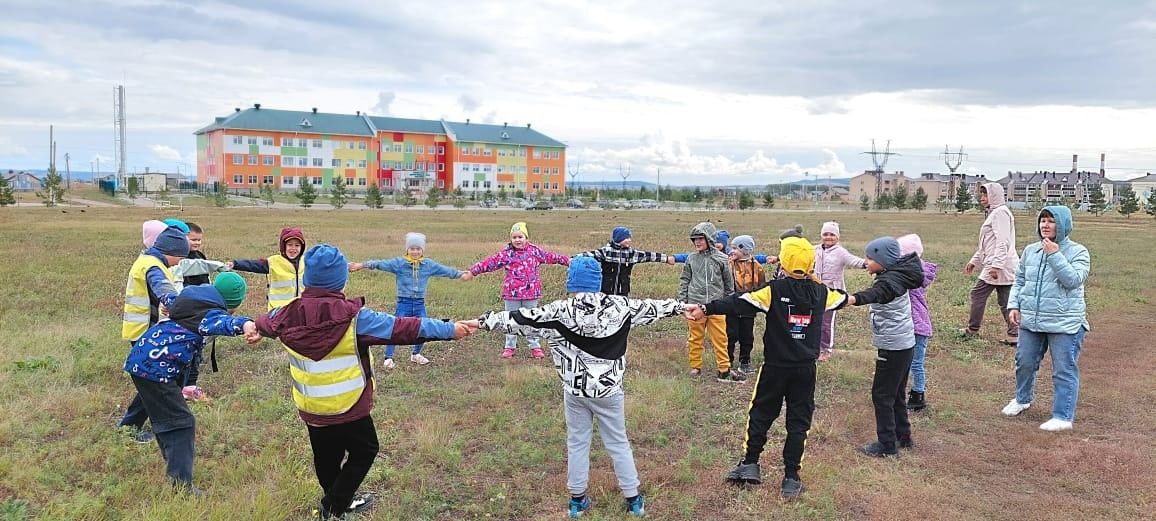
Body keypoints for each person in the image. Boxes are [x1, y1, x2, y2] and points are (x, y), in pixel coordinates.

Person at [253, 244, 477, 520]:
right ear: (340, 280)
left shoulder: (283, 315)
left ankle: (336, 500)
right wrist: (448, 329)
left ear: (307, 278)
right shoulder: (356, 318)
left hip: (312, 406)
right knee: (365, 450)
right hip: (350, 406)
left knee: (326, 457)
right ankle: (334, 506)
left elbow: (264, 322)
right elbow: (403, 328)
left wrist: (255, 329)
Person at [476, 256, 688, 518]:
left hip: (575, 392)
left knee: (577, 443)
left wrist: (479, 323)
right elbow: (655, 307)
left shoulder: (557, 311)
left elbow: (519, 318)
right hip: (610, 393)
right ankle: (634, 500)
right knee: (618, 442)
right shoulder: (621, 306)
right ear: (598, 281)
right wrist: (683, 307)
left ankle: (577, 501)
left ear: (570, 282)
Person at [689, 236, 849, 500]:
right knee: (799, 421)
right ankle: (791, 477)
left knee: (761, 413)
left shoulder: (773, 290)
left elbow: (737, 301)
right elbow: (844, 299)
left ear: (784, 261)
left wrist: (706, 307)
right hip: (805, 371)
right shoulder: (822, 293)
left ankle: (751, 463)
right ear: (810, 262)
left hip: (775, 368)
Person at [122, 273, 255, 492]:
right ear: (232, 303)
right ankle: (181, 486)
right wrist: (246, 324)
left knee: (157, 403)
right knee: (182, 422)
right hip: (157, 368)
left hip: (143, 358)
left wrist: (154, 272)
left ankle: (135, 430)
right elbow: (223, 323)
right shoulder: (209, 313)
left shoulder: (188, 300)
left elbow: (165, 292)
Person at [1001, 206, 1090, 432]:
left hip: (1065, 323)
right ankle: (1022, 399)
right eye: (1042, 221)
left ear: (1063, 225)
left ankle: (1062, 416)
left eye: (1051, 221)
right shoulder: (1031, 250)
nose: (1045, 225)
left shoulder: (1079, 252)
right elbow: (1020, 280)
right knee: (1024, 362)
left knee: (1063, 369)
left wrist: (1054, 254)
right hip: (1032, 320)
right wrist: (1014, 304)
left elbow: (1073, 280)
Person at [846, 237, 924, 457]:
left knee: (881, 395)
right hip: (904, 344)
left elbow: (877, 294)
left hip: (894, 347)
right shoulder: (896, 275)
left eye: (871, 258)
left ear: (884, 260)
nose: (866, 261)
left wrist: (852, 299)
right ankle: (903, 436)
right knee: (897, 392)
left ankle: (887, 445)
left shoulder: (889, 282)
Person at [348, 232, 466, 368]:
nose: (415, 252)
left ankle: (416, 354)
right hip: (404, 303)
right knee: (393, 328)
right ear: (407, 249)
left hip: (419, 303)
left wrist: (461, 274)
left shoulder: (428, 265)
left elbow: (445, 270)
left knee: (424, 328)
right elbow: (379, 264)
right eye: (412, 248)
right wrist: (361, 265)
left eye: (418, 249)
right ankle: (388, 357)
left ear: (422, 250)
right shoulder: (399, 263)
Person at [118, 225, 188, 443]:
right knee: (156, 384)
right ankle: (139, 426)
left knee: (151, 383)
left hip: (143, 331)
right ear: (173, 252)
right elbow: (161, 286)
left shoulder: (147, 260)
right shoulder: (153, 266)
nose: (180, 262)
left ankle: (130, 425)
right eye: (181, 258)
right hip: (143, 334)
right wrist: (172, 302)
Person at [462, 222, 570, 359]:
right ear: (511, 239)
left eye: (520, 237)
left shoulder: (535, 252)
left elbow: (552, 257)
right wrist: (473, 272)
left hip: (531, 294)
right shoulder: (507, 254)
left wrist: (569, 261)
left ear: (527, 238)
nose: (517, 240)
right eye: (514, 237)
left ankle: (535, 346)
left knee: (532, 320)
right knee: (510, 320)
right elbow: (489, 263)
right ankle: (510, 346)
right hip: (512, 295)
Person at [170, 221, 230, 401]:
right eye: (192, 240)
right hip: (188, 309)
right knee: (189, 349)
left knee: (198, 349)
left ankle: (190, 386)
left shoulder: (200, 256)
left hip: (203, 306)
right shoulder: (177, 260)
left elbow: (205, 277)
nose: (196, 243)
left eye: (199, 240)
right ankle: (182, 386)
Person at [679, 222, 744, 382]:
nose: (697, 242)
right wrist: (682, 302)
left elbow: (729, 284)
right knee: (695, 338)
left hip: (717, 307)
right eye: (694, 239)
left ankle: (724, 369)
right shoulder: (691, 259)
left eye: (701, 238)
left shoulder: (722, 259)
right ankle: (695, 367)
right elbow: (685, 279)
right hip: (695, 305)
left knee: (721, 338)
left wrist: (729, 303)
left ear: (709, 239)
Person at [962, 183, 1018, 345]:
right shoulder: (995, 213)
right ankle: (1014, 334)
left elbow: (1002, 242)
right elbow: (988, 244)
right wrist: (974, 261)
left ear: (994, 196)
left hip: (1001, 266)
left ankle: (973, 329)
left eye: (985, 195)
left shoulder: (1000, 213)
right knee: (1005, 300)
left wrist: (996, 266)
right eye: (981, 195)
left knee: (980, 294)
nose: (982, 198)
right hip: (997, 264)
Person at [813, 221, 866, 361]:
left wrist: (869, 263)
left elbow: (854, 261)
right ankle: (813, 347)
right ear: (821, 235)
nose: (828, 237)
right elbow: (799, 256)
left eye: (832, 234)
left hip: (832, 294)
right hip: (814, 292)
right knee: (812, 320)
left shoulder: (840, 252)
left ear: (837, 237)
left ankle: (825, 350)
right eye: (825, 234)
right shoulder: (815, 250)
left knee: (826, 323)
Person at [896, 234, 937, 411]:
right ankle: (914, 394)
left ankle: (917, 396)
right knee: (914, 362)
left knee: (914, 363)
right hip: (917, 324)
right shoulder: (918, 272)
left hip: (914, 325)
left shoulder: (911, 275)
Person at [573, 226, 675, 296]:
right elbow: (589, 255)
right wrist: (572, 259)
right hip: (605, 291)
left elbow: (649, 256)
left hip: (623, 291)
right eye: (626, 238)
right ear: (618, 239)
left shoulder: (631, 254)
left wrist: (666, 259)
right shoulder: (606, 252)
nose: (629, 240)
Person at [228, 227, 306, 311]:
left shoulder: (306, 262)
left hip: (299, 310)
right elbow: (253, 265)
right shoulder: (274, 262)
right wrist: (235, 264)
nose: (293, 248)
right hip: (278, 311)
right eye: (290, 245)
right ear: (283, 246)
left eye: (297, 245)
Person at [726, 235, 765, 374]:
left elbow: (761, 285)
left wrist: (758, 302)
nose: (732, 251)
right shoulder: (729, 264)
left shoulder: (757, 267)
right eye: (732, 248)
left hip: (749, 305)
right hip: (732, 305)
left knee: (747, 335)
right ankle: (727, 361)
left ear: (745, 249)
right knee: (730, 334)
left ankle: (745, 361)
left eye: (735, 248)